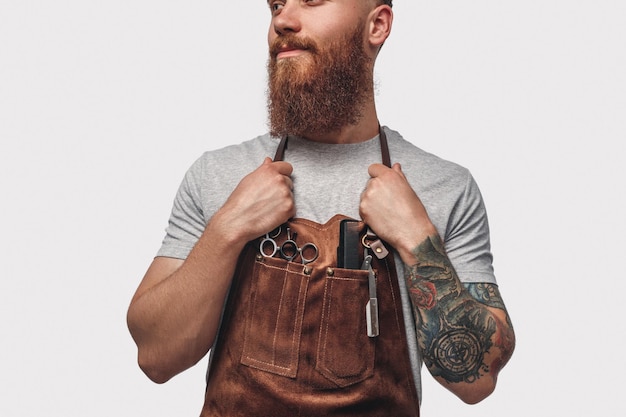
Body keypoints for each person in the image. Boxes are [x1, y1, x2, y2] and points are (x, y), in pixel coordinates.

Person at [127, 1, 515, 415]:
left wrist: (418, 239)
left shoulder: (446, 186)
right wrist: (227, 229)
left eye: (312, 0)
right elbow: (156, 356)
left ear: (377, 26)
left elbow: (477, 378)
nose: (283, 20)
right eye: (276, 5)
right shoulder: (217, 174)